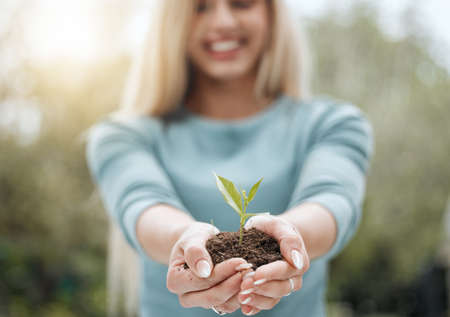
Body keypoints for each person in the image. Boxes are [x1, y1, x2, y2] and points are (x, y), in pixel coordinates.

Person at [85, 0, 374, 316]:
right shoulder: (124, 135)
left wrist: (289, 238)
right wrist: (185, 242)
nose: (222, 21)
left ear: (271, 13)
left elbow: (332, 199)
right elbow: (141, 202)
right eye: (199, 7)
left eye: (241, 3)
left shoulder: (332, 124)